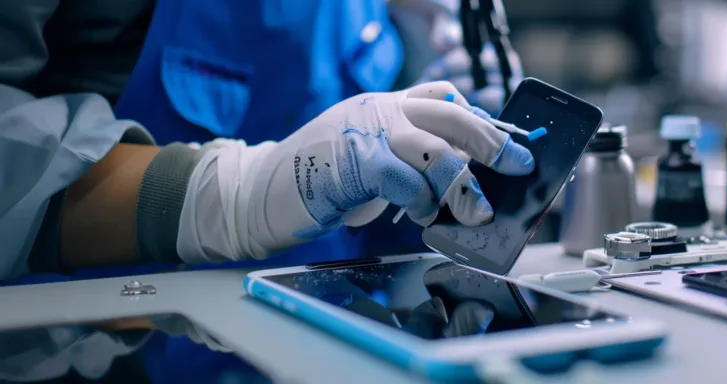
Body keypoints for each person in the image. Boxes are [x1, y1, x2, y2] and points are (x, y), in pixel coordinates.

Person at [0, 0, 526, 381]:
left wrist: (421, 96)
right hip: (110, 350)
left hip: (336, 352)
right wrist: (234, 197)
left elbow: (375, 200)